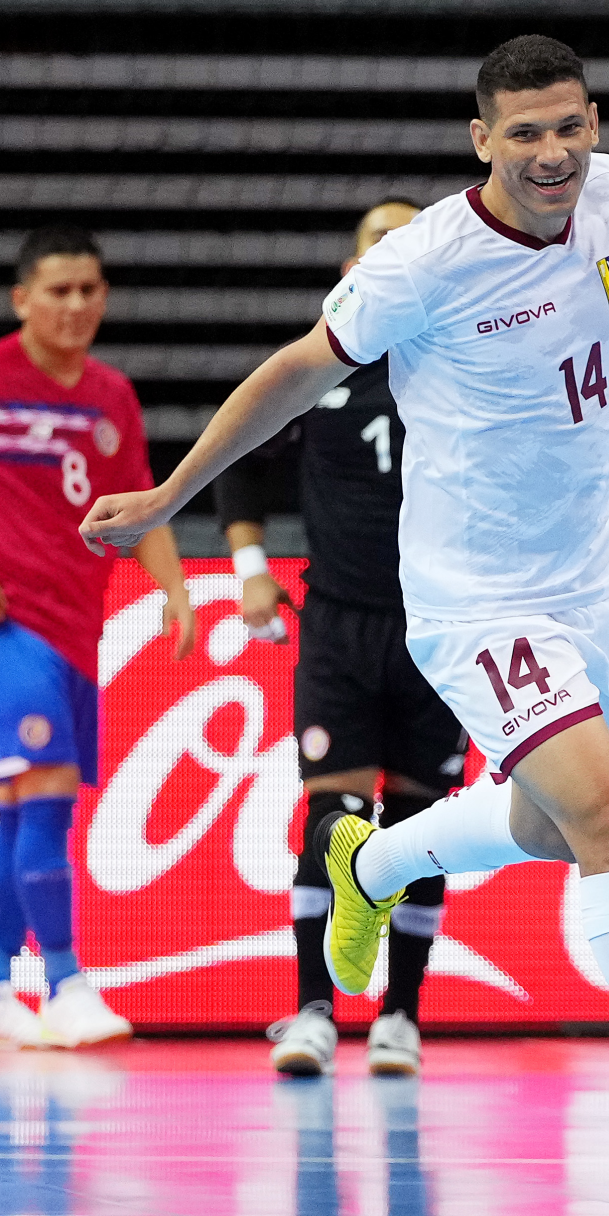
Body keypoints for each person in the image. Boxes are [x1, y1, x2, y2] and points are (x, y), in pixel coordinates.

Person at [79, 5, 609, 1203]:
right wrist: (174, 487)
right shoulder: (422, 262)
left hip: (589, 577)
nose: (552, 154)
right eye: (525, 133)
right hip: (475, 599)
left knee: (543, 830)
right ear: (477, 137)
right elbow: (291, 371)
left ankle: (372, 863)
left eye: (571, 129)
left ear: (596, 126)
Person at [0, 225, 197, 1050]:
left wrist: (176, 589)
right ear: (22, 298)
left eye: (90, 289)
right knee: (44, 790)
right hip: (2, 626)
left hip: (78, 629)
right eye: (59, 290)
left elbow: (139, 506)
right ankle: (64, 982)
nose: (77, 305)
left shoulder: (112, 395)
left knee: (26, 808)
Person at [217, 197, 471, 1079]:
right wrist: (250, 564)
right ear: (351, 269)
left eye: (412, 240)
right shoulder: (317, 366)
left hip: (442, 629)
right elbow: (238, 458)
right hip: (337, 623)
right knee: (333, 817)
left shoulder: (465, 364)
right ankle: (312, 1010)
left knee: (420, 822)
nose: (395, 253)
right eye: (378, 242)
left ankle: (401, 1014)